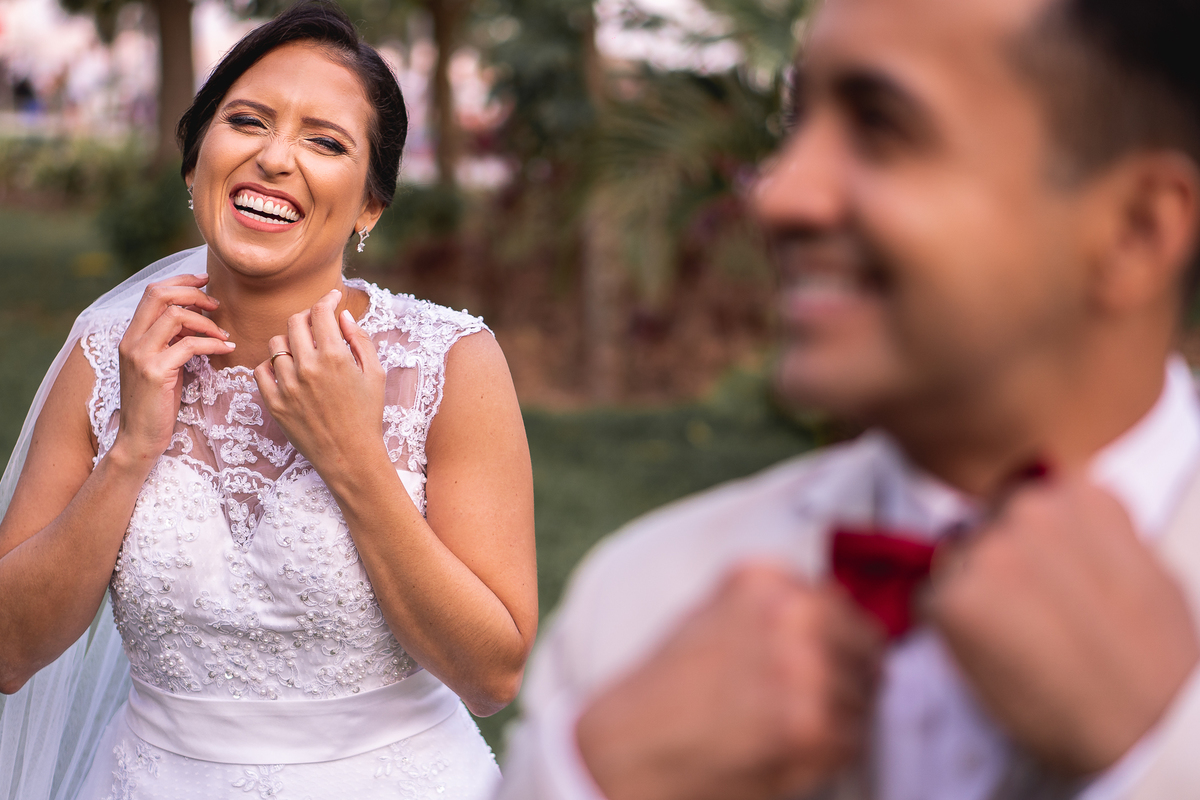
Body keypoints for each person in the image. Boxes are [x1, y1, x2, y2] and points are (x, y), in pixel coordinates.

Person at [495, 0, 1200, 798]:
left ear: (1138, 228)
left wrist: (1158, 755)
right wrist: (597, 779)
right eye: (797, 127)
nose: (779, 195)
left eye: (883, 127)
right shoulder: (638, 601)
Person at [0, 3, 538, 799]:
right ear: (196, 163)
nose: (275, 157)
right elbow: (11, 652)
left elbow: (492, 675)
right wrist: (130, 452)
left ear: (368, 208)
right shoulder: (109, 353)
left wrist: (353, 458)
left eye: (326, 141)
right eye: (247, 121)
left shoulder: (450, 363)